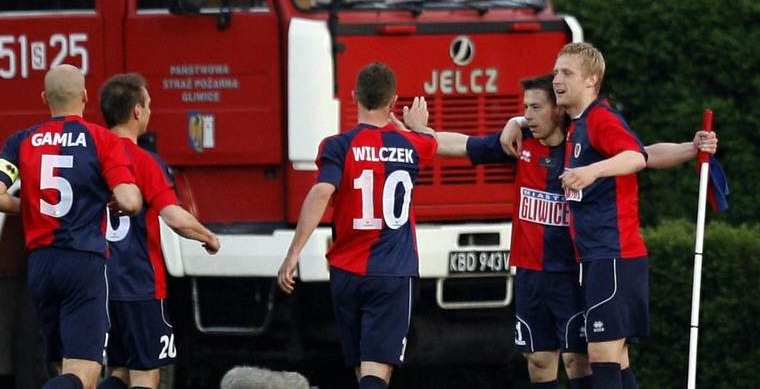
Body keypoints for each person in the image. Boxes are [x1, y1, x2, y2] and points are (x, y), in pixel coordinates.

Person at [437, 74, 718, 389]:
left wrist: (691, 149)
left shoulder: (585, 140)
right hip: (530, 274)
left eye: (535, 107)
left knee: (578, 360)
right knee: (539, 362)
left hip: (572, 273)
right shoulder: (521, 141)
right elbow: (463, 145)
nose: (527, 115)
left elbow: (643, 154)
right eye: (524, 108)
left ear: (558, 109)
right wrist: (414, 137)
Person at [0, 64, 142, 389]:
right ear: (84, 97)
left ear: (45, 98)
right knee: (84, 373)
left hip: (40, 266)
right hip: (82, 261)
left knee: (62, 367)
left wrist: (28, 206)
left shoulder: (21, 141)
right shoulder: (103, 140)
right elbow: (130, 201)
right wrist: (121, 200)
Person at [277, 62, 437, 389]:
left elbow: (322, 191)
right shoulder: (415, 146)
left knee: (363, 368)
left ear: (354, 97)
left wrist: (294, 253)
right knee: (378, 371)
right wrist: (418, 127)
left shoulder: (337, 145)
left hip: (346, 272)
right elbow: (431, 142)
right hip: (392, 272)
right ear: (393, 101)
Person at [96, 73, 221, 389]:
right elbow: (174, 218)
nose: (150, 111)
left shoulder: (91, 157)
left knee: (118, 370)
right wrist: (208, 237)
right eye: (148, 104)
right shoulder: (143, 161)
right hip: (139, 283)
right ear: (137, 111)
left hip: (98, 281)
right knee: (146, 372)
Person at [546, 42, 649, 389]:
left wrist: (592, 171)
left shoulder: (601, 118)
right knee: (613, 359)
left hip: (614, 252)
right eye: (556, 72)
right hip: (596, 254)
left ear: (591, 80)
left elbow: (635, 156)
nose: (557, 80)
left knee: (602, 353)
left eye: (566, 73)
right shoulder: (578, 122)